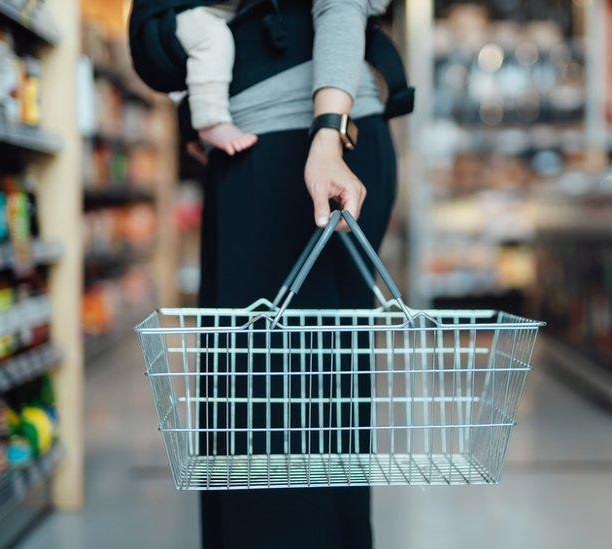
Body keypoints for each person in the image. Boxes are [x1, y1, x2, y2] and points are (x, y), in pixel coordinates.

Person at [192, 0, 396, 547]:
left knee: (290, 420)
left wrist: (328, 131)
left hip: (311, 151)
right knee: (247, 416)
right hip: (250, 149)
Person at [174, 3, 259, 155]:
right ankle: (210, 121)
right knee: (211, 37)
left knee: (204, 68)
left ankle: (192, 126)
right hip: (187, 13)